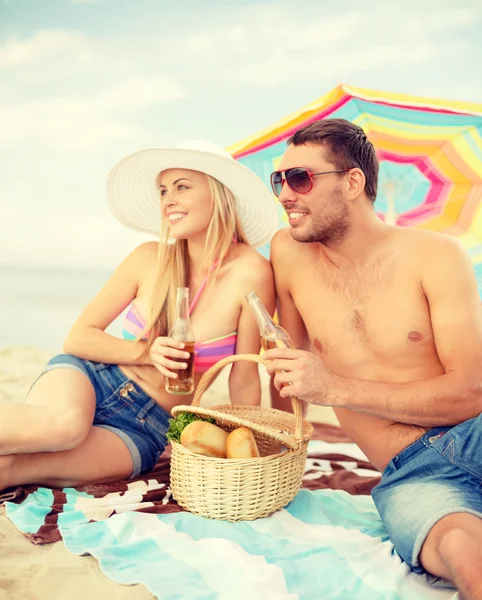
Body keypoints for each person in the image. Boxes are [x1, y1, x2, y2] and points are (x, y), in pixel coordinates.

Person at [264, 119, 482, 598]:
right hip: (411, 472)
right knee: (464, 555)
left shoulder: (435, 255)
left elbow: (469, 394)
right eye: (278, 180)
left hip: (476, 434)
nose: (284, 195)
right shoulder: (287, 252)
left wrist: (335, 389)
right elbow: (286, 366)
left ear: (353, 181)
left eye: (300, 178)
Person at [0, 140, 277, 490]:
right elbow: (79, 336)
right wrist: (147, 352)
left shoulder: (253, 272)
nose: (168, 200)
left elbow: (245, 377)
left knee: (12, 468)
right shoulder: (148, 257)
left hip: (146, 425)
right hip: (90, 380)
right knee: (64, 426)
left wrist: (245, 453)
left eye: (182, 187)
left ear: (220, 193)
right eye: (163, 190)